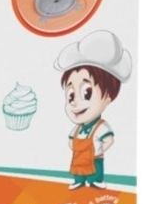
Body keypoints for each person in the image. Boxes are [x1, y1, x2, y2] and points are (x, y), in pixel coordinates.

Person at [55, 30, 132, 189]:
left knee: (95, 170)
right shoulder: (77, 129)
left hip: (95, 157)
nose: (75, 102)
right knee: (78, 170)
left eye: (86, 93)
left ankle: (96, 180)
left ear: (108, 96)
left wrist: (100, 150)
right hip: (79, 158)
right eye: (71, 95)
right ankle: (79, 180)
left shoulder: (101, 127)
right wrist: (74, 147)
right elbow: (71, 140)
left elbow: (109, 139)